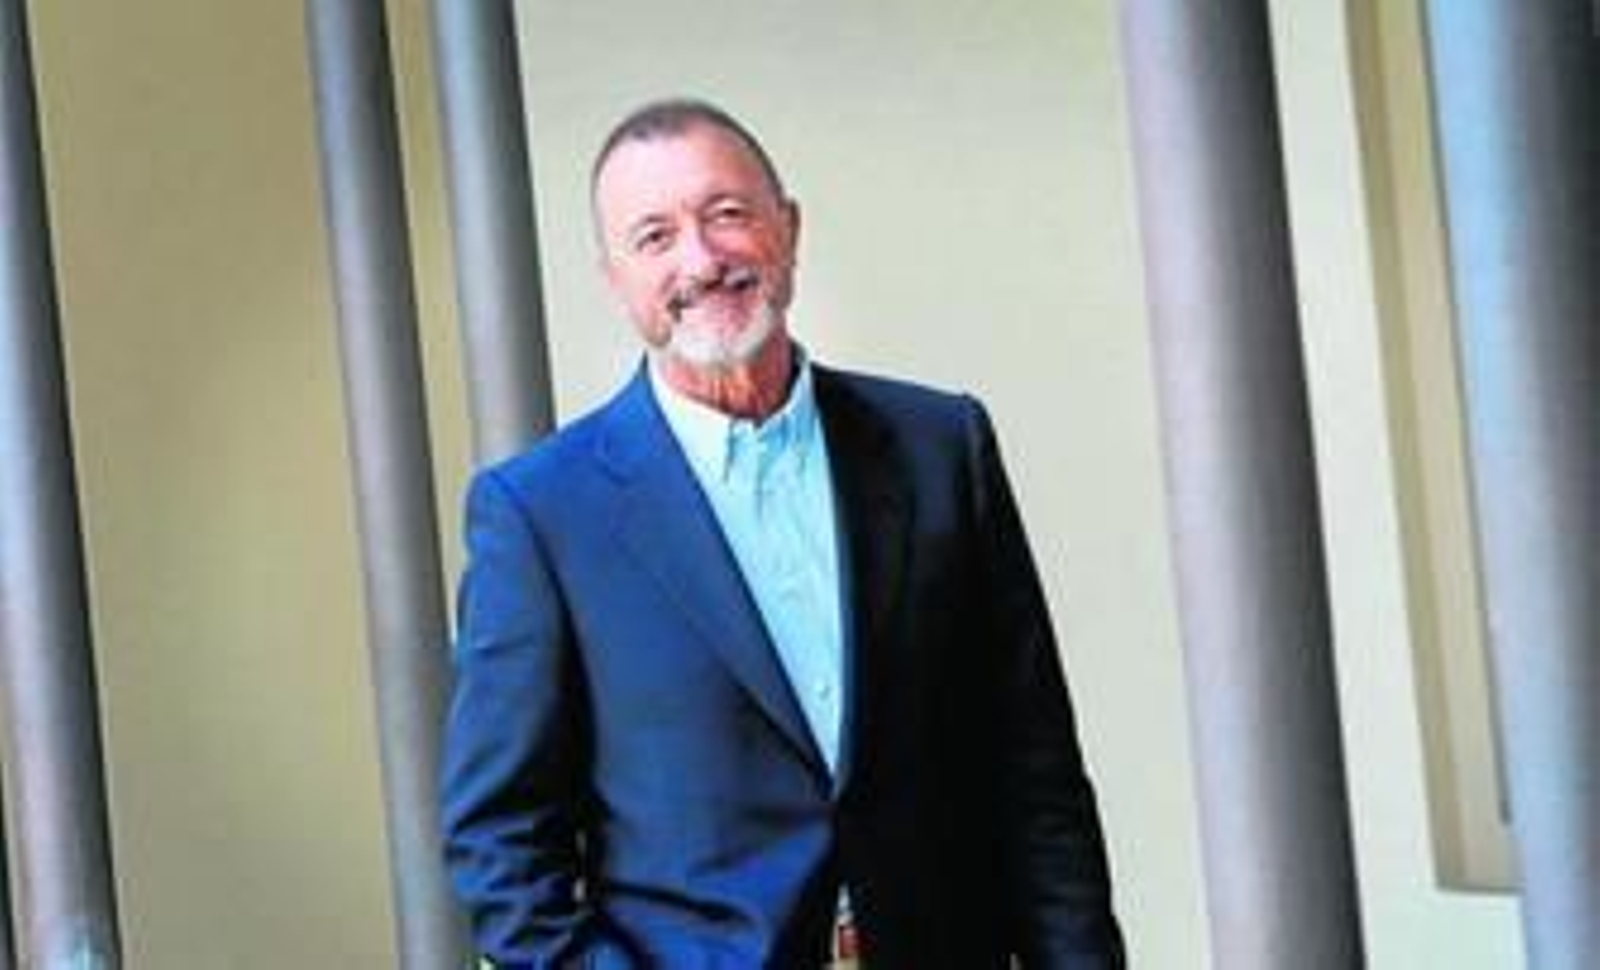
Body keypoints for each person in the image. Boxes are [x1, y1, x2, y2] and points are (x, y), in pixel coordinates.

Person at [440, 98, 1125, 969]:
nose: (701, 258)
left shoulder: (941, 448)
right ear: (616, 281)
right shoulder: (541, 516)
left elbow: (1036, 775)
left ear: (788, 229)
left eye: (726, 213)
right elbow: (499, 848)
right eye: (654, 236)